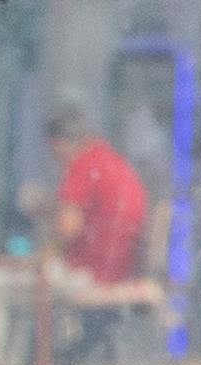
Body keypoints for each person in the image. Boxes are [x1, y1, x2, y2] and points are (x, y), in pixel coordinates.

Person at [45, 104, 153, 288]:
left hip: (90, 273)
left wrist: (37, 256)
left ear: (58, 144)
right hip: (121, 270)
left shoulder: (83, 166)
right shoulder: (114, 163)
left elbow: (68, 229)